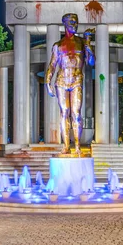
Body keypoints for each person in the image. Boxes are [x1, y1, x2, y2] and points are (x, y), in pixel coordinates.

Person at [45, 13, 95, 156]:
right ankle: (66, 146)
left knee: (76, 113)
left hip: (76, 80)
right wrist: (48, 81)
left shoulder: (81, 42)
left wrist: (88, 44)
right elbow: (52, 65)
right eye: (72, 22)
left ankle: (77, 146)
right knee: (64, 113)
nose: (75, 25)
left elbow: (91, 62)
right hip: (61, 81)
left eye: (76, 22)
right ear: (65, 24)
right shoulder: (58, 45)